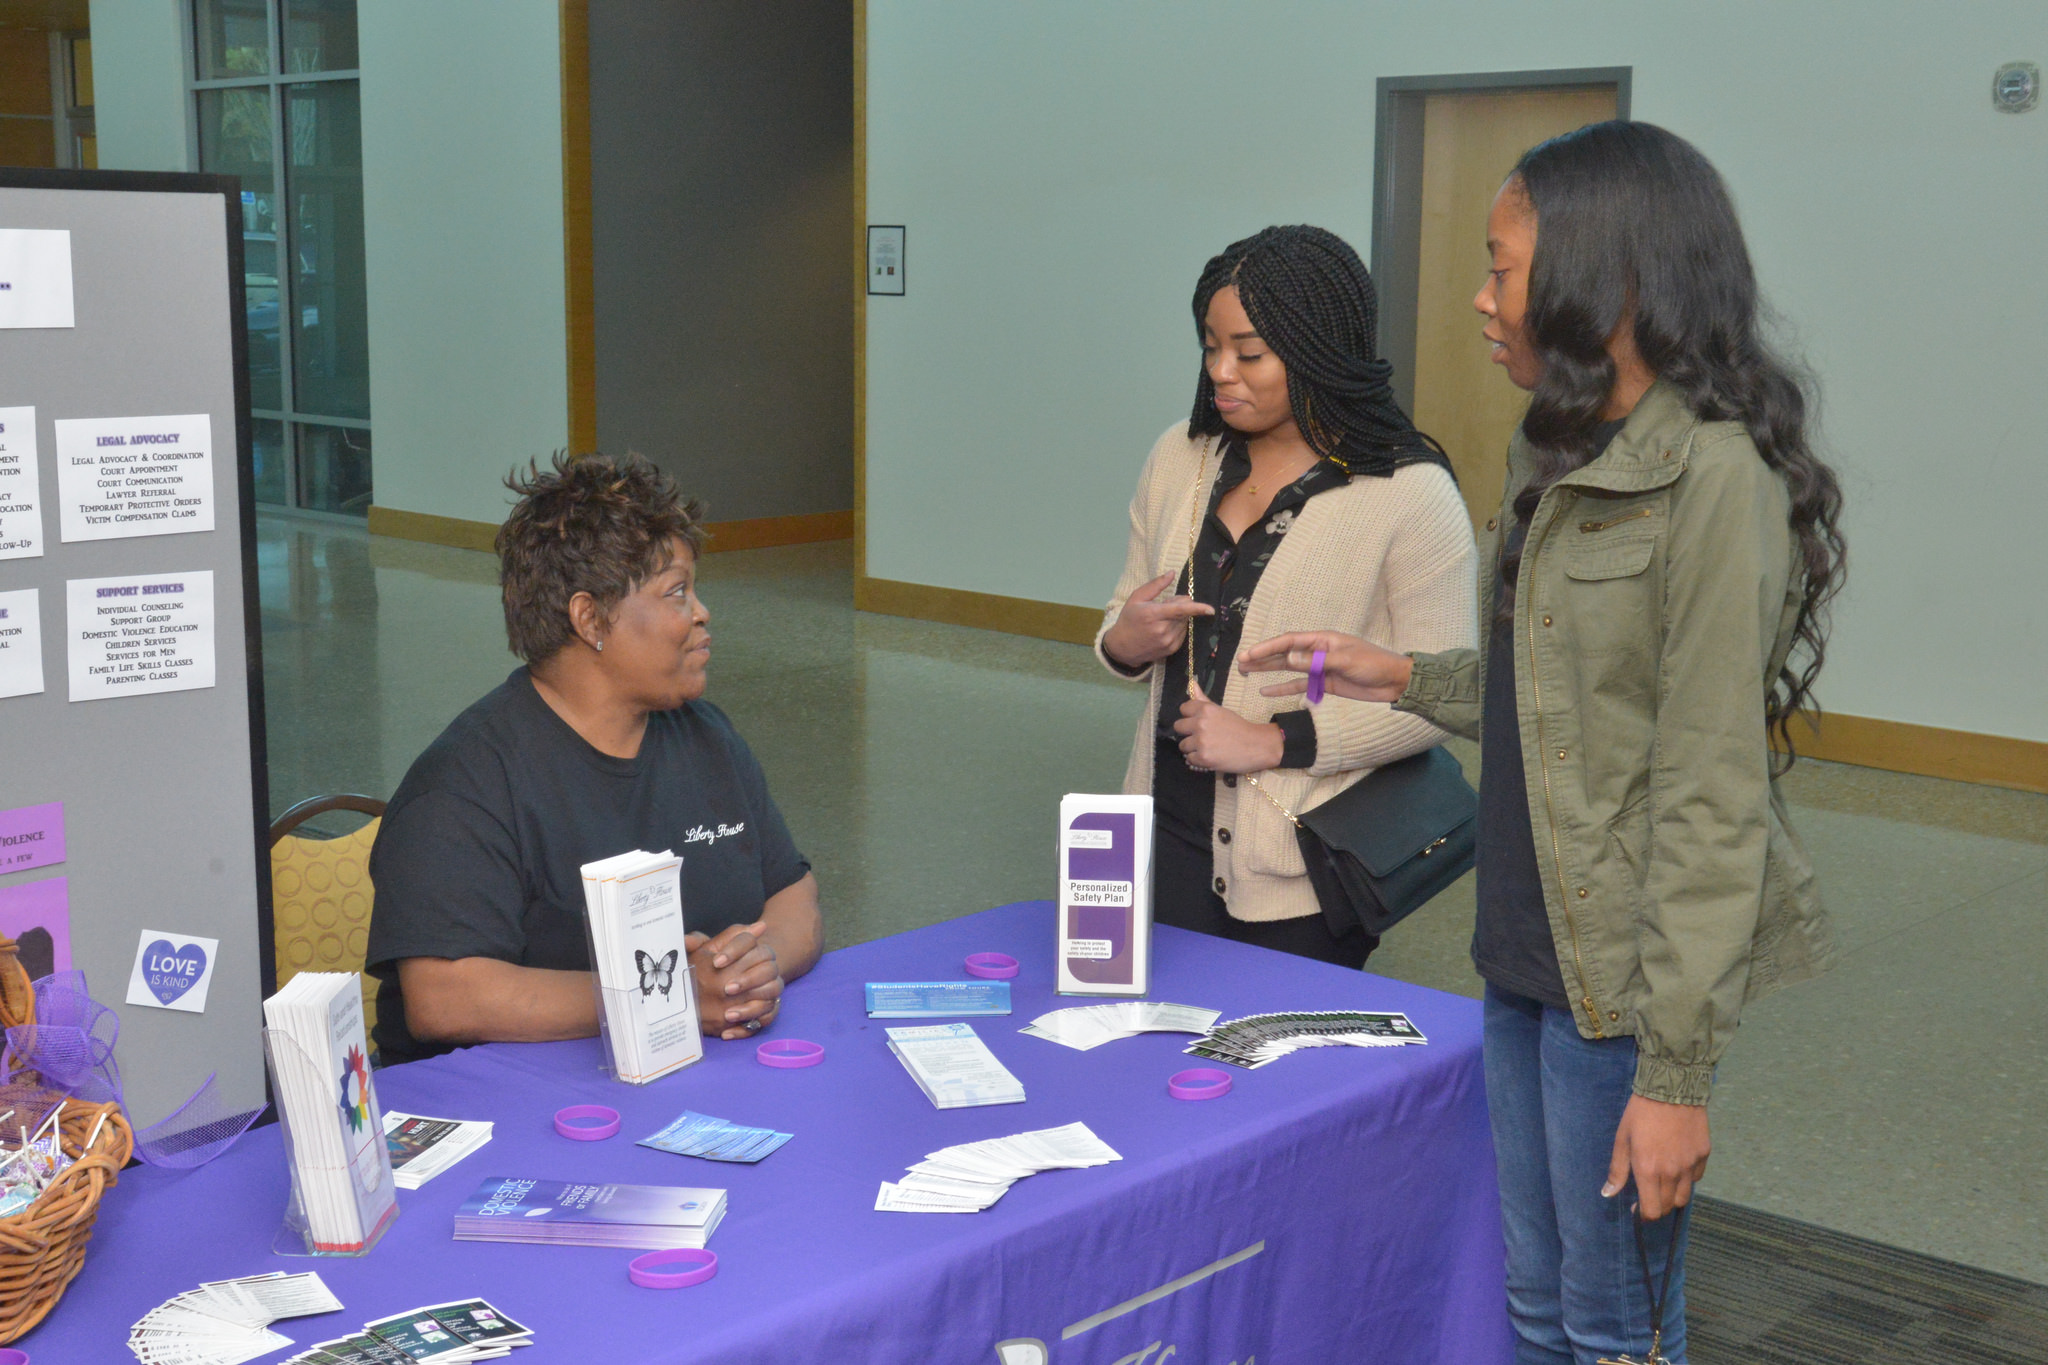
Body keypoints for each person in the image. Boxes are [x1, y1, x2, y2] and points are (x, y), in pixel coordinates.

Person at [1239, 122, 1846, 1364]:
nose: (1477, 298)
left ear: (1605, 279)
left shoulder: (1715, 479)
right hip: (1522, 948)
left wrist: (1673, 1077)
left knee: (1611, 1325)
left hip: (1616, 984)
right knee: (1531, 1304)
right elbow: (1562, 693)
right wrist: (1399, 673)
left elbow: (1707, 791)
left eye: (1500, 266)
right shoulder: (1555, 445)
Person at [1094, 224, 1478, 967]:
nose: (1220, 373)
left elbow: (1440, 699)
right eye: (1210, 347)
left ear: (1314, 350)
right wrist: (1124, 640)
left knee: (1270, 1067)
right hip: (1159, 823)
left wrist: (1274, 742)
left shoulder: (1410, 494)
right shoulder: (1180, 456)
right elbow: (1119, 612)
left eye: (1249, 353)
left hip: (1302, 856)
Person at [365, 453, 823, 1066]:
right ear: (589, 619)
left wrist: (750, 972)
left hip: (683, 1073)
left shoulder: (707, 737)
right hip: (506, 1106)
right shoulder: (464, 784)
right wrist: (666, 997)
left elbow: (795, 898)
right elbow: (446, 997)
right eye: (677, 592)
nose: (702, 613)